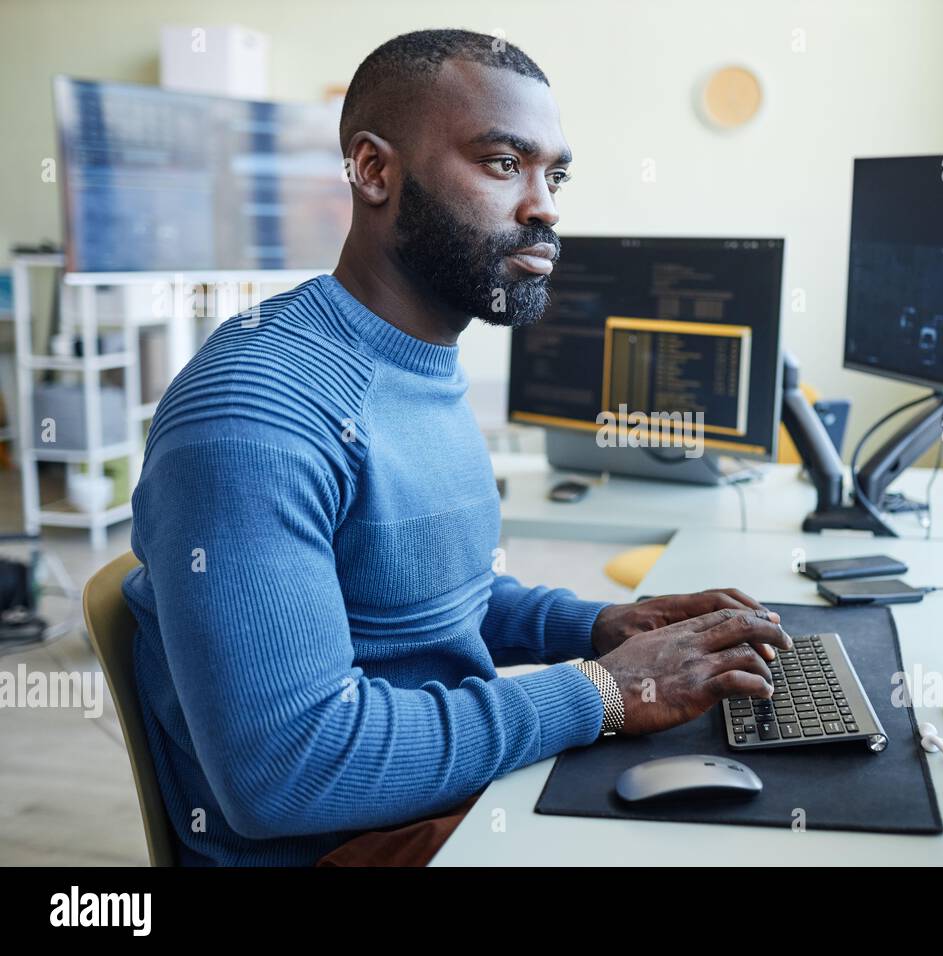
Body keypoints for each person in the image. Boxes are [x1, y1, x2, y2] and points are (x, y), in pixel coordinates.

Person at [123, 28, 789, 866]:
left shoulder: (418, 360)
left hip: (440, 800)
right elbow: (285, 771)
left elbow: (428, 599)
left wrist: (601, 626)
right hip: (346, 844)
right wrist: (602, 694)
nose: (544, 204)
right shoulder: (257, 411)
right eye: (504, 164)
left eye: (556, 174)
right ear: (372, 170)